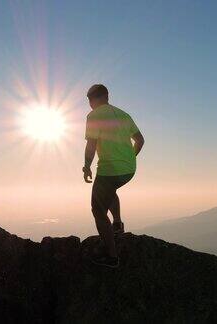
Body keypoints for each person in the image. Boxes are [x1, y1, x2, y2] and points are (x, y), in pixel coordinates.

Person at [83, 84, 144, 268]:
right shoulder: (124, 115)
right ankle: (117, 225)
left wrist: (86, 167)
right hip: (129, 170)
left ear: (92, 99)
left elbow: (91, 146)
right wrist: (129, 158)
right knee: (109, 190)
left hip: (109, 170)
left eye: (89, 101)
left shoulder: (94, 116)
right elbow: (140, 140)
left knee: (98, 210)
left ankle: (111, 257)